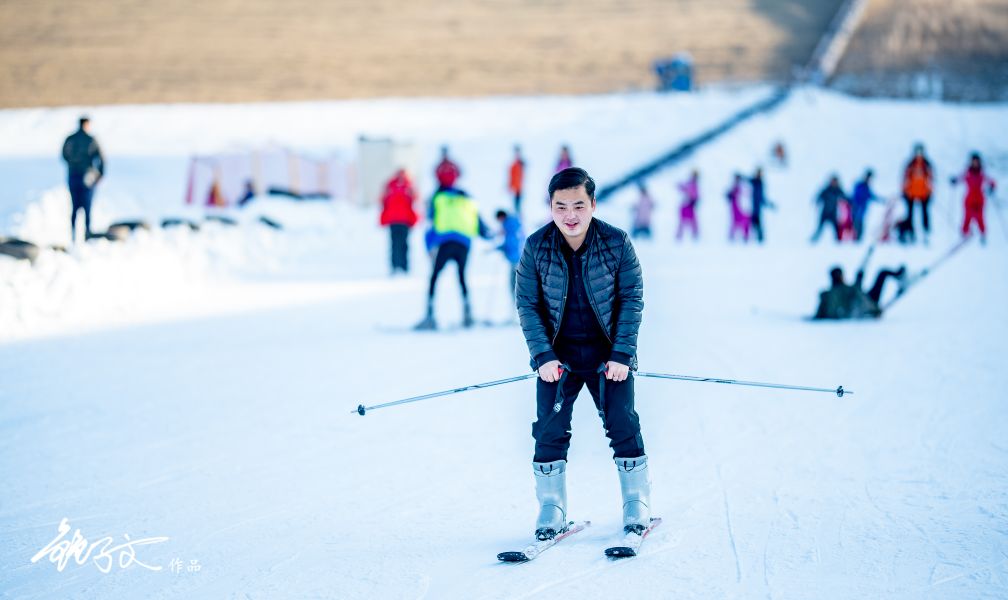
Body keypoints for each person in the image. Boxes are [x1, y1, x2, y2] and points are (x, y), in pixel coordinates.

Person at [515, 167, 651, 543]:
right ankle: (551, 507)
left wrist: (622, 354)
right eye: (561, 206)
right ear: (551, 207)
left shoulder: (616, 242)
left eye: (578, 205)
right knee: (548, 430)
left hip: (610, 357)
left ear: (592, 203)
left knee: (622, 422)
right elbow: (527, 304)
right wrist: (542, 356)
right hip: (558, 360)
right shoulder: (536, 246)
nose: (570, 215)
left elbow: (631, 300)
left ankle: (636, 502)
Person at [415, 185, 490, 330]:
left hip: (445, 242)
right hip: (464, 243)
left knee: (435, 276)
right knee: (462, 277)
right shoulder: (467, 201)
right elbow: (482, 228)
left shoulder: (439, 199)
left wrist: (429, 247)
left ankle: (430, 314)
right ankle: (468, 314)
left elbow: (430, 225)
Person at [62, 116, 105, 241]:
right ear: (87, 124)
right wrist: (100, 174)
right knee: (87, 206)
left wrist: (72, 164)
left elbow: (64, 155)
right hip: (88, 176)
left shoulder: (70, 139)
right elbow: (101, 158)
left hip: (73, 175)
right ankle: (87, 233)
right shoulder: (91, 140)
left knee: (75, 206)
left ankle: (73, 235)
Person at [813, 264, 906, 320]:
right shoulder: (838, 291)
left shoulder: (829, 293)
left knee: (882, 273)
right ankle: (899, 275)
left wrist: (859, 280)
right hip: (868, 303)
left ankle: (899, 276)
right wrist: (874, 310)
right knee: (882, 273)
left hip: (864, 300)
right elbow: (856, 296)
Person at [951, 153, 997, 245]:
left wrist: (992, 187)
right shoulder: (967, 172)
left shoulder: (982, 172)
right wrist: (954, 180)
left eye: (977, 161)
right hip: (969, 198)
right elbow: (959, 178)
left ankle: (983, 234)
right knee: (967, 216)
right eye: (973, 161)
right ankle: (964, 233)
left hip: (979, 198)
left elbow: (991, 181)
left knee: (980, 217)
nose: (975, 163)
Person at [379, 169, 419, 274]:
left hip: (398, 220)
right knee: (400, 244)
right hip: (400, 220)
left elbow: (383, 201)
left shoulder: (393, 186)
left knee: (398, 244)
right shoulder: (406, 186)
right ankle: (400, 265)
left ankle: (398, 265)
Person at [902, 143, 934, 244]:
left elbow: (931, 179)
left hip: (924, 194)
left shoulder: (926, 165)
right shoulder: (910, 164)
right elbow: (905, 179)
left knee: (924, 213)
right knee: (910, 215)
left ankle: (926, 233)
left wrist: (930, 191)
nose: (919, 154)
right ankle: (910, 233)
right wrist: (904, 191)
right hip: (911, 194)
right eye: (917, 151)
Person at [495, 209, 525, 299]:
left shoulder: (509, 225)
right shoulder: (514, 224)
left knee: (514, 282)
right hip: (520, 257)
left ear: (501, 217)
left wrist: (504, 249)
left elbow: (512, 243)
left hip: (516, 259)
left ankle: (516, 301)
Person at [811, 175, 847, 243]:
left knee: (836, 229)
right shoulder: (826, 190)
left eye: (835, 181)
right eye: (833, 181)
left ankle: (838, 241)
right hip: (825, 213)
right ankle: (814, 240)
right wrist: (817, 201)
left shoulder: (838, 190)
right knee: (820, 228)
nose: (834, 183)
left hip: (833, 214)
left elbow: (845, 197)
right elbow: (819, 196)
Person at [850, 170, 881, 241]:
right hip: (857, 208)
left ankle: (858, 239)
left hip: (862, 209)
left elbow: (871, 196)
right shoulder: (860, 185)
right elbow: (857, 196)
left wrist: (880, 200)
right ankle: (855, 239)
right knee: (857, 223)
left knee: (860, 223)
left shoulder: (866, 186)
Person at [748, 168, 775, 243]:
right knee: (751, 224)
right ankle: (752, 239)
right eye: (758, 173)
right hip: (749, 208)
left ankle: (759, 240)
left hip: (756, 209)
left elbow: (762, 198)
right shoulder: (753, 181)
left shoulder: (760, 184)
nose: (759, 174)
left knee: (756, 224)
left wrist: (769, 204)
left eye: (760, 173)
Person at [676, 171, 700, 241]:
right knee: (684, 221)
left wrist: (695, 200)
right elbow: (684, 189)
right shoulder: (690, 184)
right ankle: (680, 235)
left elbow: (696, 195)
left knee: (692, 221)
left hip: (689, 204)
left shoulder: (694, 184)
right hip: (686, 204)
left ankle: (694, 234)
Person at [726, 174, 750, 242]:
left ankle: (745, 236)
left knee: (744, 221)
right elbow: (729, 196)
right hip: (736, 207)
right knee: (736, 222)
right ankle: (732, 237)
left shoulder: (742, 187)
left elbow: (746, 196)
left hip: (742, 207)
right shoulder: (734, 187)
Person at [508, 145, 525, 214]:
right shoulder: (514, 164)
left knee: (517, 205)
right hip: (515, 188)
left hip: (519, 188)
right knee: (516, 205)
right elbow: (511, 177)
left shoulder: (520, 164)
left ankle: (519, 218)